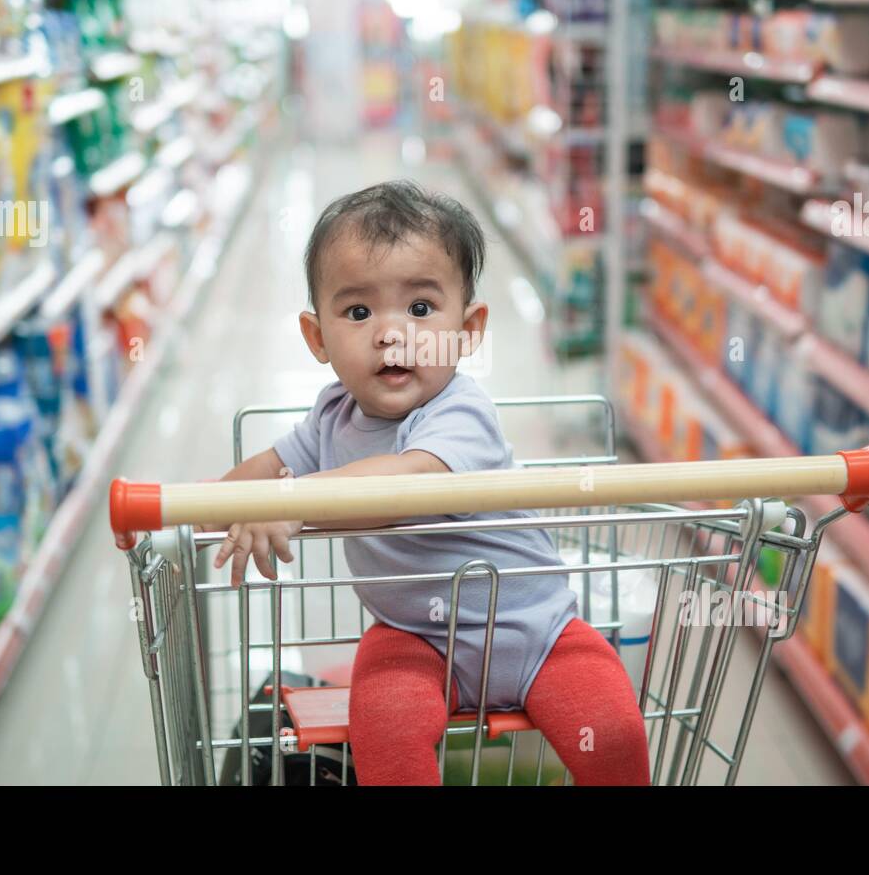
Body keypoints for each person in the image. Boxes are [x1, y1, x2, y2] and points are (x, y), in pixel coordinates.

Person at [210, 180, 649, 786]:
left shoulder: (460, 413)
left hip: (536, 632)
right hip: (413, 639)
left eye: (420, 309)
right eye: (358, 312)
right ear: (318, 338)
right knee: (383, 728)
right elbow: (261, 470)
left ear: (467, 329)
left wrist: (291, 502)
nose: (391, 334)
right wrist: (187, 512)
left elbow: (405, 484)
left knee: (612, 731)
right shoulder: (330, 417)